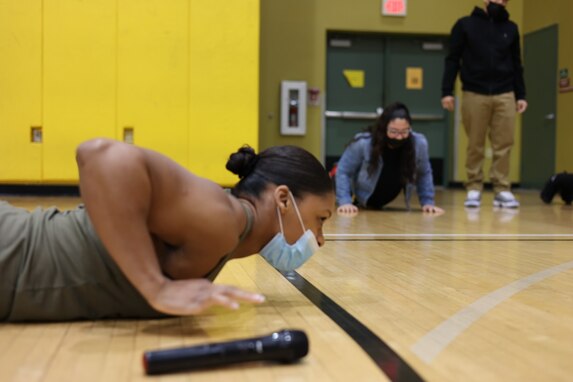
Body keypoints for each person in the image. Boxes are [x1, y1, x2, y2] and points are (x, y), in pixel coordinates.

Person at [0, 139, 335, 322]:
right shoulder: (223, 218)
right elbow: (100, 155)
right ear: (284, 200)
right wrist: (155, 287)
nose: (318, 239)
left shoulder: (226, 232)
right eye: (320, 219)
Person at [441, 0, 527, 209]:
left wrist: (521, 95)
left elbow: (517, 63)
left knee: (504, 144)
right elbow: (453, 59)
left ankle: (502, 189)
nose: (501, 2)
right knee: (475, 144)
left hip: (505, 92)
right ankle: (474, 187)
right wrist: (447, 91)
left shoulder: (511, 28)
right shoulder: (465, 25)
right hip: (474, 91)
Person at [335, 102, 444, 215]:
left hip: (385, 198)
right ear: (384, 128)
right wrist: (344, 201)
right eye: (394, 132)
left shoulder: (419, 143)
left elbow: (424, 173)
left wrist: (428, 202)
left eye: (404, 131)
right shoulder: (363, 143)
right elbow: (343, 171)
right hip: (359, 196)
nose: (399, 137)